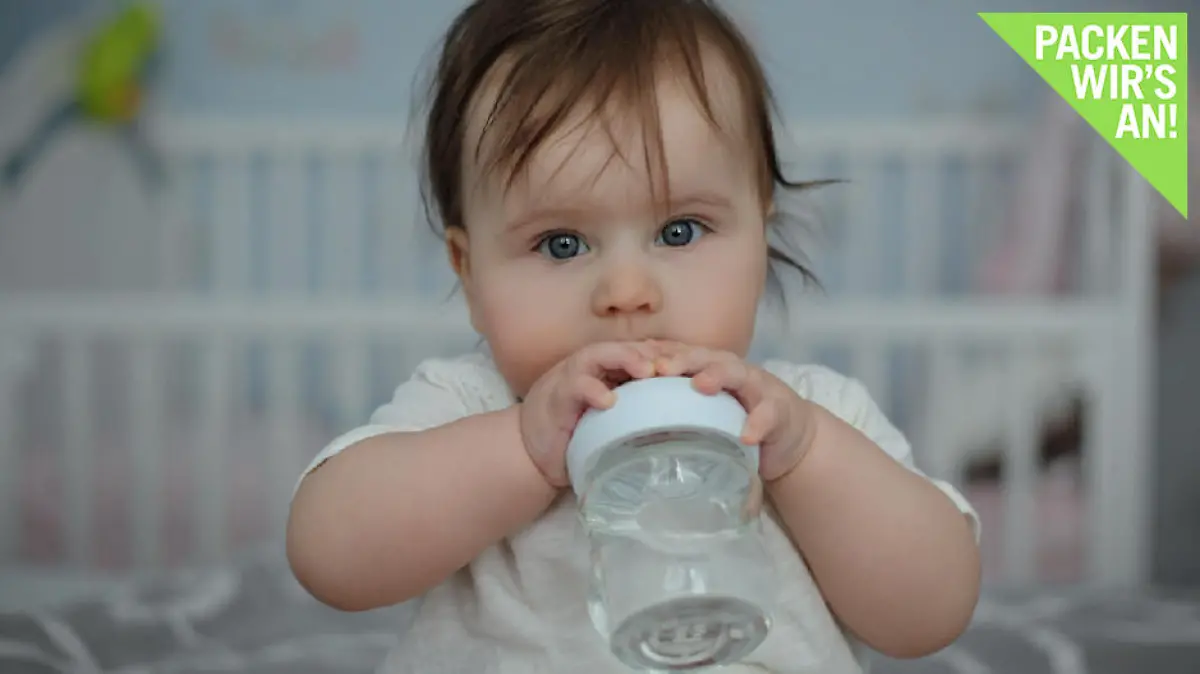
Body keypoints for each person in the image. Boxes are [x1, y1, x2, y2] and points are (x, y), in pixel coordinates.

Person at [286, 1, 982, 671]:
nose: (625, 294)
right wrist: (523, 451)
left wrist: (805, 460)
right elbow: (328, 554)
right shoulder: (472, 408)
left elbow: (932, 612)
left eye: (680, 231)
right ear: (471, 275)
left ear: (759, 237)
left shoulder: (810, 416)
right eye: (561, 244)